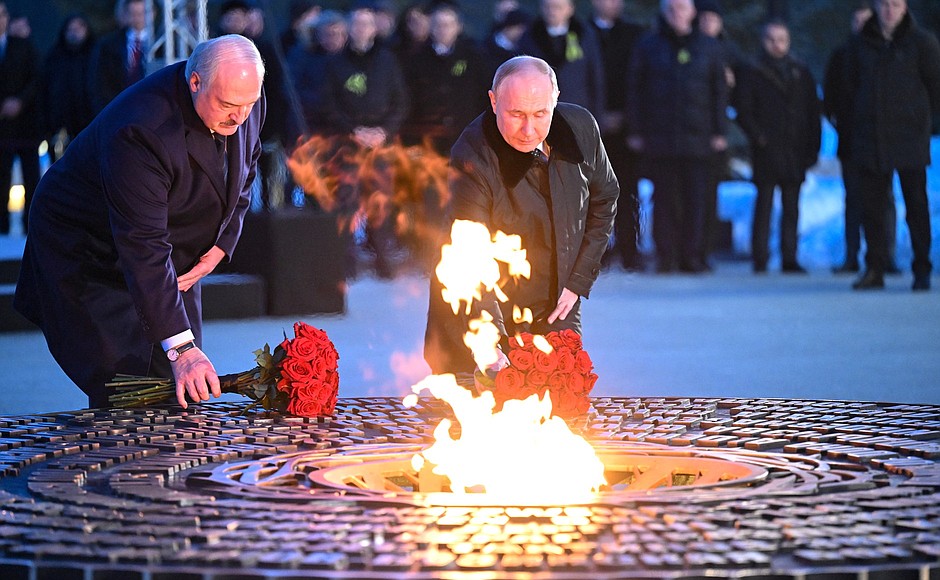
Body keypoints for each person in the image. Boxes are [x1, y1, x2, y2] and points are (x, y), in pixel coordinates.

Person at [14, 35, 266, 409]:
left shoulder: (244, 93)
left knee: (181, 388)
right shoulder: (141, 129)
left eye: (249, 104)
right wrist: (181, 348)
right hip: (90, 251)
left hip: (167, 246)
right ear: (195, 82)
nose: (240, 117)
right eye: (229, 105)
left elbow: (246, 166)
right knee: (129, 387)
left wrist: (221, 243)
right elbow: (143, 244)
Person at [424, 55, 619, 375]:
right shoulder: (473, 153)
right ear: (494, 101)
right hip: (479, 306)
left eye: (541, 113)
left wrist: (579, 278)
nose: (529, 129)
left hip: (558, 301)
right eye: (516, 114)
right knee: (473, 413)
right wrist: (490, 342)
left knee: (564, 404)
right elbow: (469, 255)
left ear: (555, 100)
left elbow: (605, 197)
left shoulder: (580, 128)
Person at [626, 0, 728, 273]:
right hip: (661, 137)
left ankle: (692, 256)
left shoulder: (709, 47)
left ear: (693, 12)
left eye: (682, 9)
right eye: (671, 9)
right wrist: (636, 130)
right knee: (665, 200)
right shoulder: (648, 45)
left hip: (699, 137)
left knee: (696, 200)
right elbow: (635, 90)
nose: (677, 15)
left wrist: (719, 131)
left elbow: (719, 92)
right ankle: (666, 256)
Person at [846, 0, 940, 291]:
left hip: (909, 137)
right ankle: (875, 267)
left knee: (916, 205)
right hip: (870, 137)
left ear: (905, 7)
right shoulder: (860, 43)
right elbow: (848, 88)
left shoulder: (922, 42)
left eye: (895, 4)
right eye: (884, 4)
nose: (890, 10)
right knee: (873, 208)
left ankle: (922, 267)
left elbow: (935, 86)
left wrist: (924, 124)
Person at [736, 20, 821, 274]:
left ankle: (789, 257)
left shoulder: (800, 71)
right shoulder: (752, 70)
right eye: (771, 39)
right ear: (763, 41)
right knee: (764, 205)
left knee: (792, 206)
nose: (777, 44)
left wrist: (812, 146)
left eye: (781, 39)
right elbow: (744, 109)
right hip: (767, 148)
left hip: (795, 148)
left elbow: (812, 112)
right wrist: (758, 137)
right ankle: (759, 257)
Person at [825, 6, 898, 275]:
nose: (862, 25)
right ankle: (852, 255)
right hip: (851, 140)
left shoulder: (886, 52)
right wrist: (841, 122)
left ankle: (885, 256)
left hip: (882, 140)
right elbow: (831, 97)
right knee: (854, 199)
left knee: (884, 199)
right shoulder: (841, 55)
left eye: (867, 20)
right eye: (857, 20)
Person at [591, 0, 645, 271]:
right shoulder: (584, 32)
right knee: (593, 192)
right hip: (591, 124)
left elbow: (641, 80)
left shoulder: (636, 35)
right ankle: (598, 252)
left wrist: (628, 118)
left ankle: (629, 248)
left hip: (627, 126)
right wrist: (598, 115)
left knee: (627, 191)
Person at [518, 0, 606, 117]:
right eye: (547, 7)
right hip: (540, 111)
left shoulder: (584, 34)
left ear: (570, 9)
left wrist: (597, 117)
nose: (552, 12)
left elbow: (595, 76)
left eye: (558, 7)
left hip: (577, 110)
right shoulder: (531, 36)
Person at [0, 2, 41, 236]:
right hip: (2, 126)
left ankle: (31, 229)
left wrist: (20, 102)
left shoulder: (23, 46)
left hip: (25, 126)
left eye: (3, 15)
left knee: (32, 180)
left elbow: (37, 79)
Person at [40, 13, 96, 162]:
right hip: (59, 127)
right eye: (71, 29)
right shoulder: (54, 57)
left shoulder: (96, 55)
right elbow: (45, 91)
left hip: (89, 123)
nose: (75, 32)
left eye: (79, 28)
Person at [88, 0, 150, 114]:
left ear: (152, 13)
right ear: (126, 14)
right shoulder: (108, 45)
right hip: (118, 110)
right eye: (133, 14)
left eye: (141, 14)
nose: (137, 18)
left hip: (151, 108)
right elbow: (99, 83)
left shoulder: (163, 45)